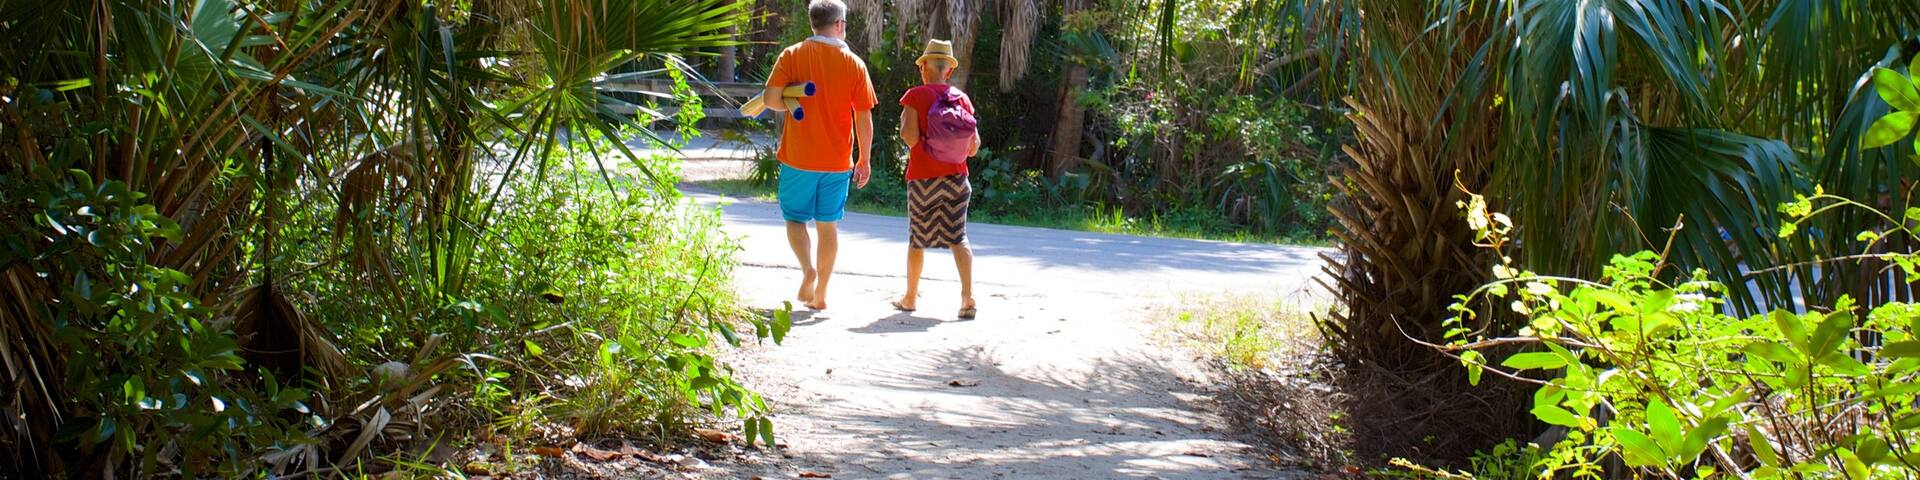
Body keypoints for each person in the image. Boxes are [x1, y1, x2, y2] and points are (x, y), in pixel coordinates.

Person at [763, 0, 879, 310]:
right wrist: (864, 158)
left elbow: (771, 100)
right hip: (838, 160)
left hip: (799, 157)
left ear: (813, 23)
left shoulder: (793, 54)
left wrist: (792, 95)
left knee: (795, 219)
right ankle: (822, 294)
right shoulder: (854, 63)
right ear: (839, 24)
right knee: (828, 225)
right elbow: (864, 116)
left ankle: (807, 269)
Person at [890, 39, 981, 319]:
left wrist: (909, 128)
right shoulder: (962, 99)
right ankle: (967, 297)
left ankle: (909, 298)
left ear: (924, 67)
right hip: (957, 178)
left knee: (918, 239)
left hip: (923, 179)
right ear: (948, 71)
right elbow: (974, 146)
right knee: (958, 237)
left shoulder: (915, 96)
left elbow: (910, 137)